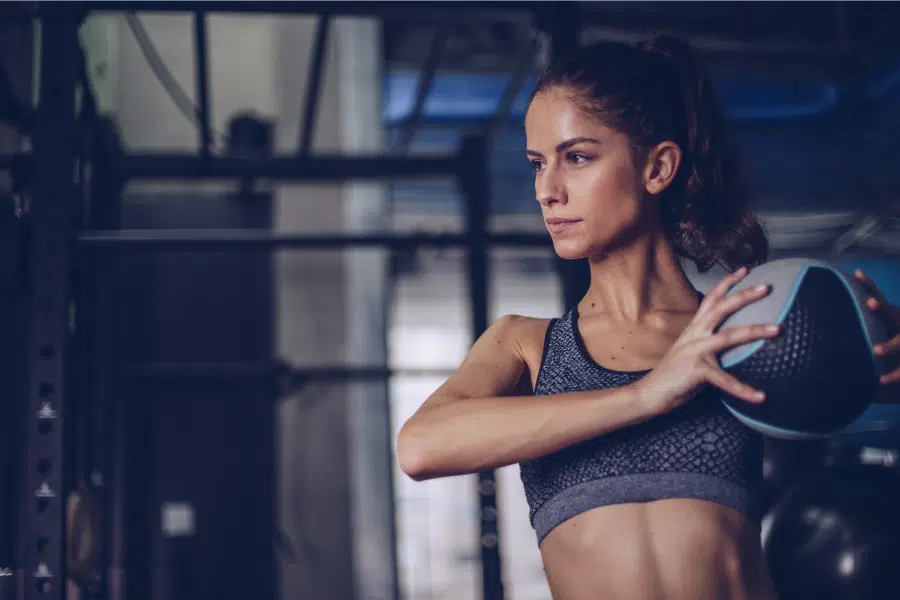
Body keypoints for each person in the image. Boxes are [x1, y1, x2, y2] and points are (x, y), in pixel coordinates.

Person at [397, 33, 900, 600]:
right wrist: (646, 394)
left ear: (657, 167)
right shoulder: (525, 346)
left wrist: (880, 353)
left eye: (577, 157)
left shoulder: (738, 334)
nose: (547, 190)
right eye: (538, 163)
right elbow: (421, 447)